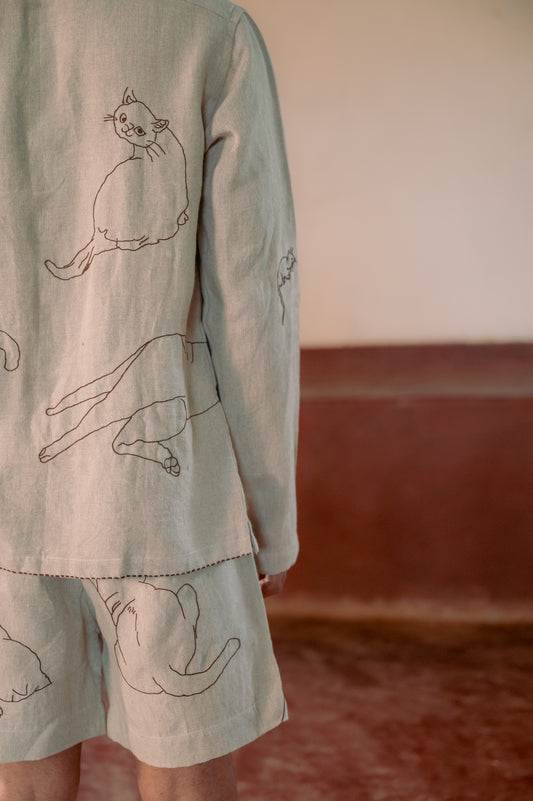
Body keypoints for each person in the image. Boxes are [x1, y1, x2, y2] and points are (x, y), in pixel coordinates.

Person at [0, 0, 299, 798]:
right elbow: (252, 291)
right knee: (184, 779)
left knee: (19, 774)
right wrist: (271, 516)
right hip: (163, 510)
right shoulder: (208, 32)